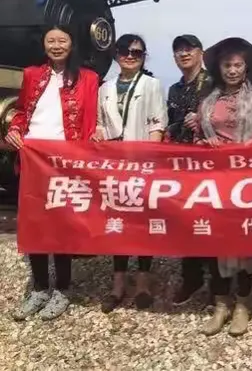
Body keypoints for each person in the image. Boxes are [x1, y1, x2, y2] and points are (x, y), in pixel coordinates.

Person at [7, 25, 99, 321]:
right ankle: (39, 288)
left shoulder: (88, 78)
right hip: (33, 159)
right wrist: (14, 129)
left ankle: (61, 289)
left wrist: (90, 145)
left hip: (65, 162)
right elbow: (22, 111)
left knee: (61, 225)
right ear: (44, 44)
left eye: (62, 40)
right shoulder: (32, 74)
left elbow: (91, 118)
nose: (56, 45)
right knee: (34, 224)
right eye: (51, 40)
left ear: (72, 44)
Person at [194, 37, 252, 337]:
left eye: (237, 64)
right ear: (218, 67)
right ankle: (220, 303)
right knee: (215, 241)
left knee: (245, 241)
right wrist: (204, 143)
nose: (232, 70)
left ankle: (242, 303)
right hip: (214, 180)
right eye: (226, 64)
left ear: (246, 67)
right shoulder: (207, 99)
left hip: (248, 181)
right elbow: (196, 139)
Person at [94, 34, 167, 312]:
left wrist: (147, 162)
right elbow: (101, 123)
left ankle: (143, 282)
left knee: (143, 223)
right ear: (116, 54)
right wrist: (99, 134)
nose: (130, 56)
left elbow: (157, 125)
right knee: (117, 223)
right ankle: (118, 283)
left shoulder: (151, 84)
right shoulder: (105, 87)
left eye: (137, 52)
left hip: (141, 164)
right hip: (114, 165)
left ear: (143, 57)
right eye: (125, 51)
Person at [165, 34, 213, 306]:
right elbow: (170, 123)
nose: (184, 54)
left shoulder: (214, 82)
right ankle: (191, 277)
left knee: (211, 220)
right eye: (178, 50)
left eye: (189, 49)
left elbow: (229, 118)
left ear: (200, 52)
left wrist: (203, 120)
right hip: (181, 164)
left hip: (210, 164)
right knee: (185, 220)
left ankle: (217, 283)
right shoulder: (174, 89)